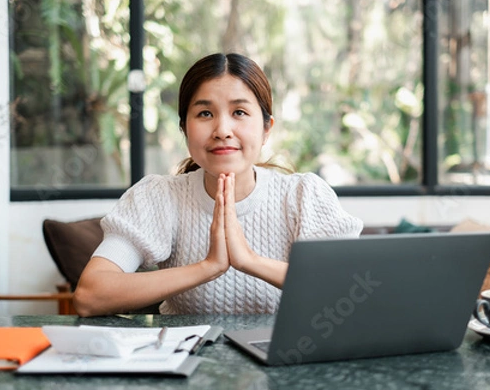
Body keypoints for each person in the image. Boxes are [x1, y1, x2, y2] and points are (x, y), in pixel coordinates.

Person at [73, 53, 363, 317]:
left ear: (265, 129)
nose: (222, 130)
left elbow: (348, 291)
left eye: (239, 112)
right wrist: (208, 267)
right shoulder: (158, 197)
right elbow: (90, 296)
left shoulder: (304, 196)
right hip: (188, 364)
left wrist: (249, 261)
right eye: (205, 114)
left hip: (287, 362)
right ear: (185, 129)